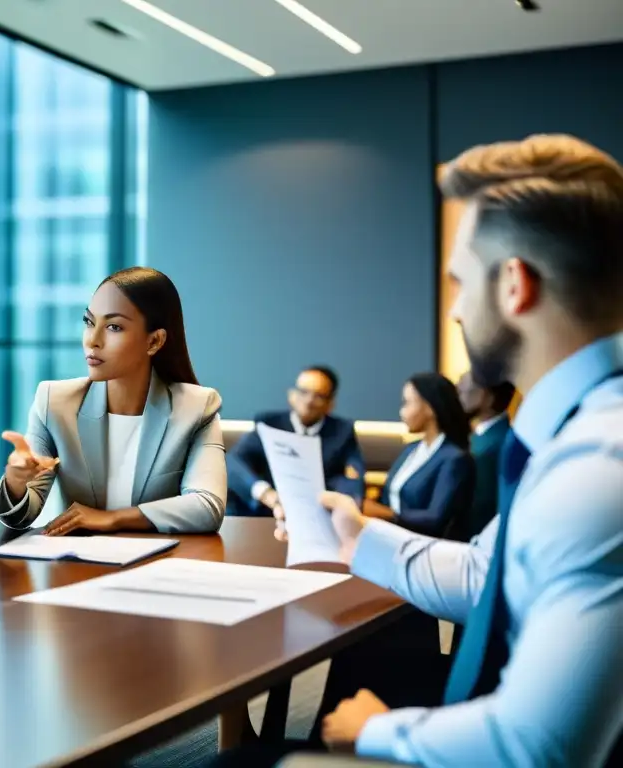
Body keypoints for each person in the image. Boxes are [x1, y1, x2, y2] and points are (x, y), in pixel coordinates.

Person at [220, 134, 623, 767]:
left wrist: (378, 730)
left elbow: (533, 749)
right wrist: (355, 537)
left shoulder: (599, 466)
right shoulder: (574, 434)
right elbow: (484, 576)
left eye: (461, 281)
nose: (457, 308)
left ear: (514, 286)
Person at [0, 266, 226, 535]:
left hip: (161, 565)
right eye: (89, 322)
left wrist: (113, 518)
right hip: (78, 566)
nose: (93, 341)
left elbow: (207, 506)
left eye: (114, 327)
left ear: (154, 341)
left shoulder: (197, 408)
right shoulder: (55, 403)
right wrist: (15, 482)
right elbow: (23, 515)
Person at [226, 366, 365, 517]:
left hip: (318, 515)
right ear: (291, 395)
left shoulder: (342, 432)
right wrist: (267, 494)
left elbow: (352, 479)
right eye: (303, 392)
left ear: (330, 404)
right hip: (267, 512)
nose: (309, 401)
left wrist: (338, 505)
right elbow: (234, 462)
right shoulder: (268, 424)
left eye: (318, 396)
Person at [361, 372, 475, 539]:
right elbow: (389, 496)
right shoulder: (412, 449)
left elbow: (436, 518)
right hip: (389, 538)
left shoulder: (454, 459)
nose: (401, 412)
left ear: (429, 408)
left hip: (423, 547)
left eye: (407, 403)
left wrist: (387, 514)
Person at [457, 371, 516, 539]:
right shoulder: (480, 438)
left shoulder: (493, 446)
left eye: (463, 390)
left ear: (487, 397)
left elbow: (478, 510)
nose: (458, 394)